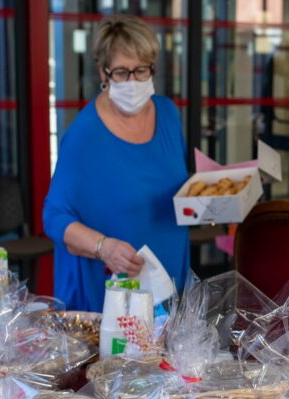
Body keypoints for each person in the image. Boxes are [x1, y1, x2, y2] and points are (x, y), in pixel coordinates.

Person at [43, 14, 189, 312]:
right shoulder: (85, 134)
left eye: (141, 70)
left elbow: (178, 189)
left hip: (169, 282)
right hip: (110, 291)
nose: (133, 81)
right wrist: (103, 247)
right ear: (103, 72)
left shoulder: (169, 115)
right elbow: (54, 217)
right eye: (122, 72)